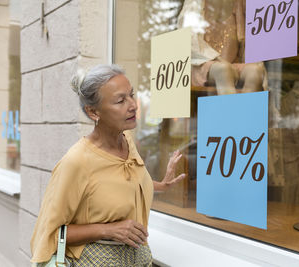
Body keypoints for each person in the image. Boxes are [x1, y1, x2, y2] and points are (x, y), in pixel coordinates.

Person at [30, 64, 186, 266]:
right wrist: (108, 229)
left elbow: (117, 184)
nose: (133, 105)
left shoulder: (127, 142)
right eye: (121, 100)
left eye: (131, 95)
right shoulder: (77, 161)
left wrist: (161, 185)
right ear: (94, 112)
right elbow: (48, 232)